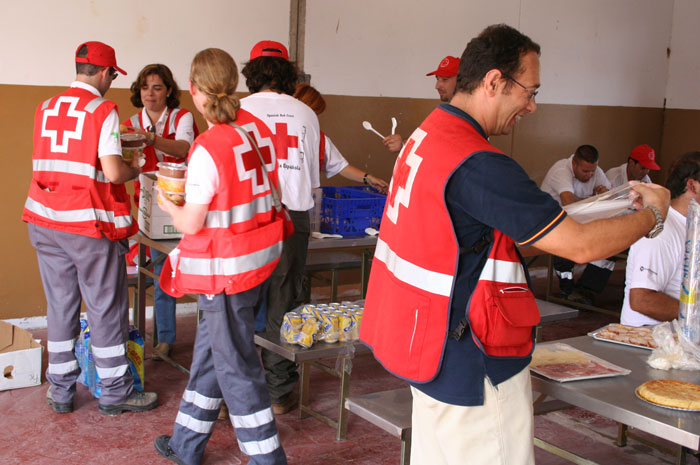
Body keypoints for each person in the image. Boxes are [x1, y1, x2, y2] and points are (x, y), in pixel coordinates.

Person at [359, 24, 669, 465]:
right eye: (529, 90)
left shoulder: (428, 136)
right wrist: (652, 215)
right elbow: (579, 248)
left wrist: (602, 211)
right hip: (473, 363)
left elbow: (485, 238)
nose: (533, 105)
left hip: (425, 347)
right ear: (493, 81)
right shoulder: (478, 162)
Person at [153, 48, 288, 465]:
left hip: (223, 276)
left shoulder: (207, 147)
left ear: (192, 90)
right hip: (254, 266)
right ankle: (186, 445)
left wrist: (167, 203)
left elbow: (192, 224)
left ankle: (268, 459)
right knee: (212, 357)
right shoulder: (255, 134)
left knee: (237, 367)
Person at [22, 41, 158, 415]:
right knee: (105, 308)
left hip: (45, 220)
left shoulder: (45, 107)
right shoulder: (103, 111)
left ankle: (62, 391)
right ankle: (115, 393)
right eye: (113, 75)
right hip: (87, 225)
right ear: (104, 72)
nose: (111, 82)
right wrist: (137, 167)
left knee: (60, 306)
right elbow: (113, 171)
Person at [239, 40, 321, 415]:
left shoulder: (236, 110)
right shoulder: (306, 114)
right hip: (291, 217)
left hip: (246, 215)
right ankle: (278, 391)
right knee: (283, 303)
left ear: (251, 72)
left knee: (238, 304)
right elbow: (310, 177)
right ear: (288, 73)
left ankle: (230, 395)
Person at [123, 64, 198, 361]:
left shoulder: (183, 117)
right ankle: (163, 336)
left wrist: (151, 140)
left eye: (157, 87)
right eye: (145, 87)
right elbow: (129, 165)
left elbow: (183, 148)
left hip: (181, 205)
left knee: (177, 269)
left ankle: (185, 334)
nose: (150, 93)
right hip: (146, 206)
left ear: (169, 90)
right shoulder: (130, 122)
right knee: (157, 272)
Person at [621, 152, 700, 326]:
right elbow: (642, 299)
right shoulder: (663, 229)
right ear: (692, 186)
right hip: (648, 344)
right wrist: (695, 316)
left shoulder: (691, 225)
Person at [540, 145, 615, 303]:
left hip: (580, 221)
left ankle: (587, 287)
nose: (589, 175)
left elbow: (611, 198)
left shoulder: (596, 172)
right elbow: (568, 202)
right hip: (551, 221)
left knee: (612, 240)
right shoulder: (561, 170)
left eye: (592, 171)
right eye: (585, 171)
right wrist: (595, 199)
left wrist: (604, 196)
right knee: (570, 236)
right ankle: (566, 289)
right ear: (574, 164)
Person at [293, 83, 389, 193]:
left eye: (316, 114)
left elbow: (340, 166)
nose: (313, 118)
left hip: (303, 200)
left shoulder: (319, 139)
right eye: (313, 113)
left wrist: (368, 178)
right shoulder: (277, 131)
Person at [383, 55, 460, 153]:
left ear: (461, 80)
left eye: (445, 79)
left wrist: (403, 145)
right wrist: (403, 144)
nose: (437, 86)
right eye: (437, 79)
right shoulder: (447, 112)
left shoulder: (465, 114)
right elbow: (430, 142)